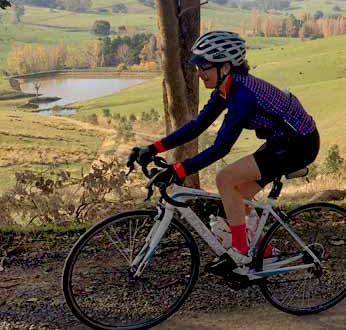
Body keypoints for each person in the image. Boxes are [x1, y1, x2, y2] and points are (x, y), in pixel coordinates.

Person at [129, 30, 319, 275]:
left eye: (204, 67)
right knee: (239, 196)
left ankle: (240, 251)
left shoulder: (242, 94)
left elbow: (221, 148)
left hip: (299, 145)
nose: (199, 74)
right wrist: (154, 148)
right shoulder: (227, 87)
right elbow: (198, 125)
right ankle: (263, 251)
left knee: (225, 179)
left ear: (226, 66)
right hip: (281, 142)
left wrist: (180, 169)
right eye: (198, 67)